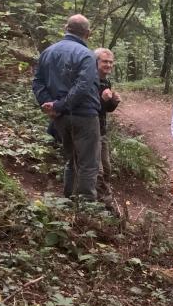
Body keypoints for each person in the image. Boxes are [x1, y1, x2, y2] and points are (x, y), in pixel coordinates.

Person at [32, 14, 101, 201]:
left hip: (60, 117)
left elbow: (37, 82)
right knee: (88, 162)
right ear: (88, 33)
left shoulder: (47, 52)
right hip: (84, 115)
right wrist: (60, 105)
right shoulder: (87, 54)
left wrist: (51, 105)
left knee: (72, 160)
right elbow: (83, 86)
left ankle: (69, 200)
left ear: (66, 27)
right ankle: (85, 206)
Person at [93, 48, 121, 214]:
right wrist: (101, 99)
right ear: (96, 62)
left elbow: (105, 110)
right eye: (104, 61)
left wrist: (113, 102)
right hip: (90, 130)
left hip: (102, 129)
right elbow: (87, 107)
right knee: (98, 170)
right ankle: (105, 205)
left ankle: (104, 201)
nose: (108, 65)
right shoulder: (90, 80)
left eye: (110, 62)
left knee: (107, 168)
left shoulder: (106, 82)